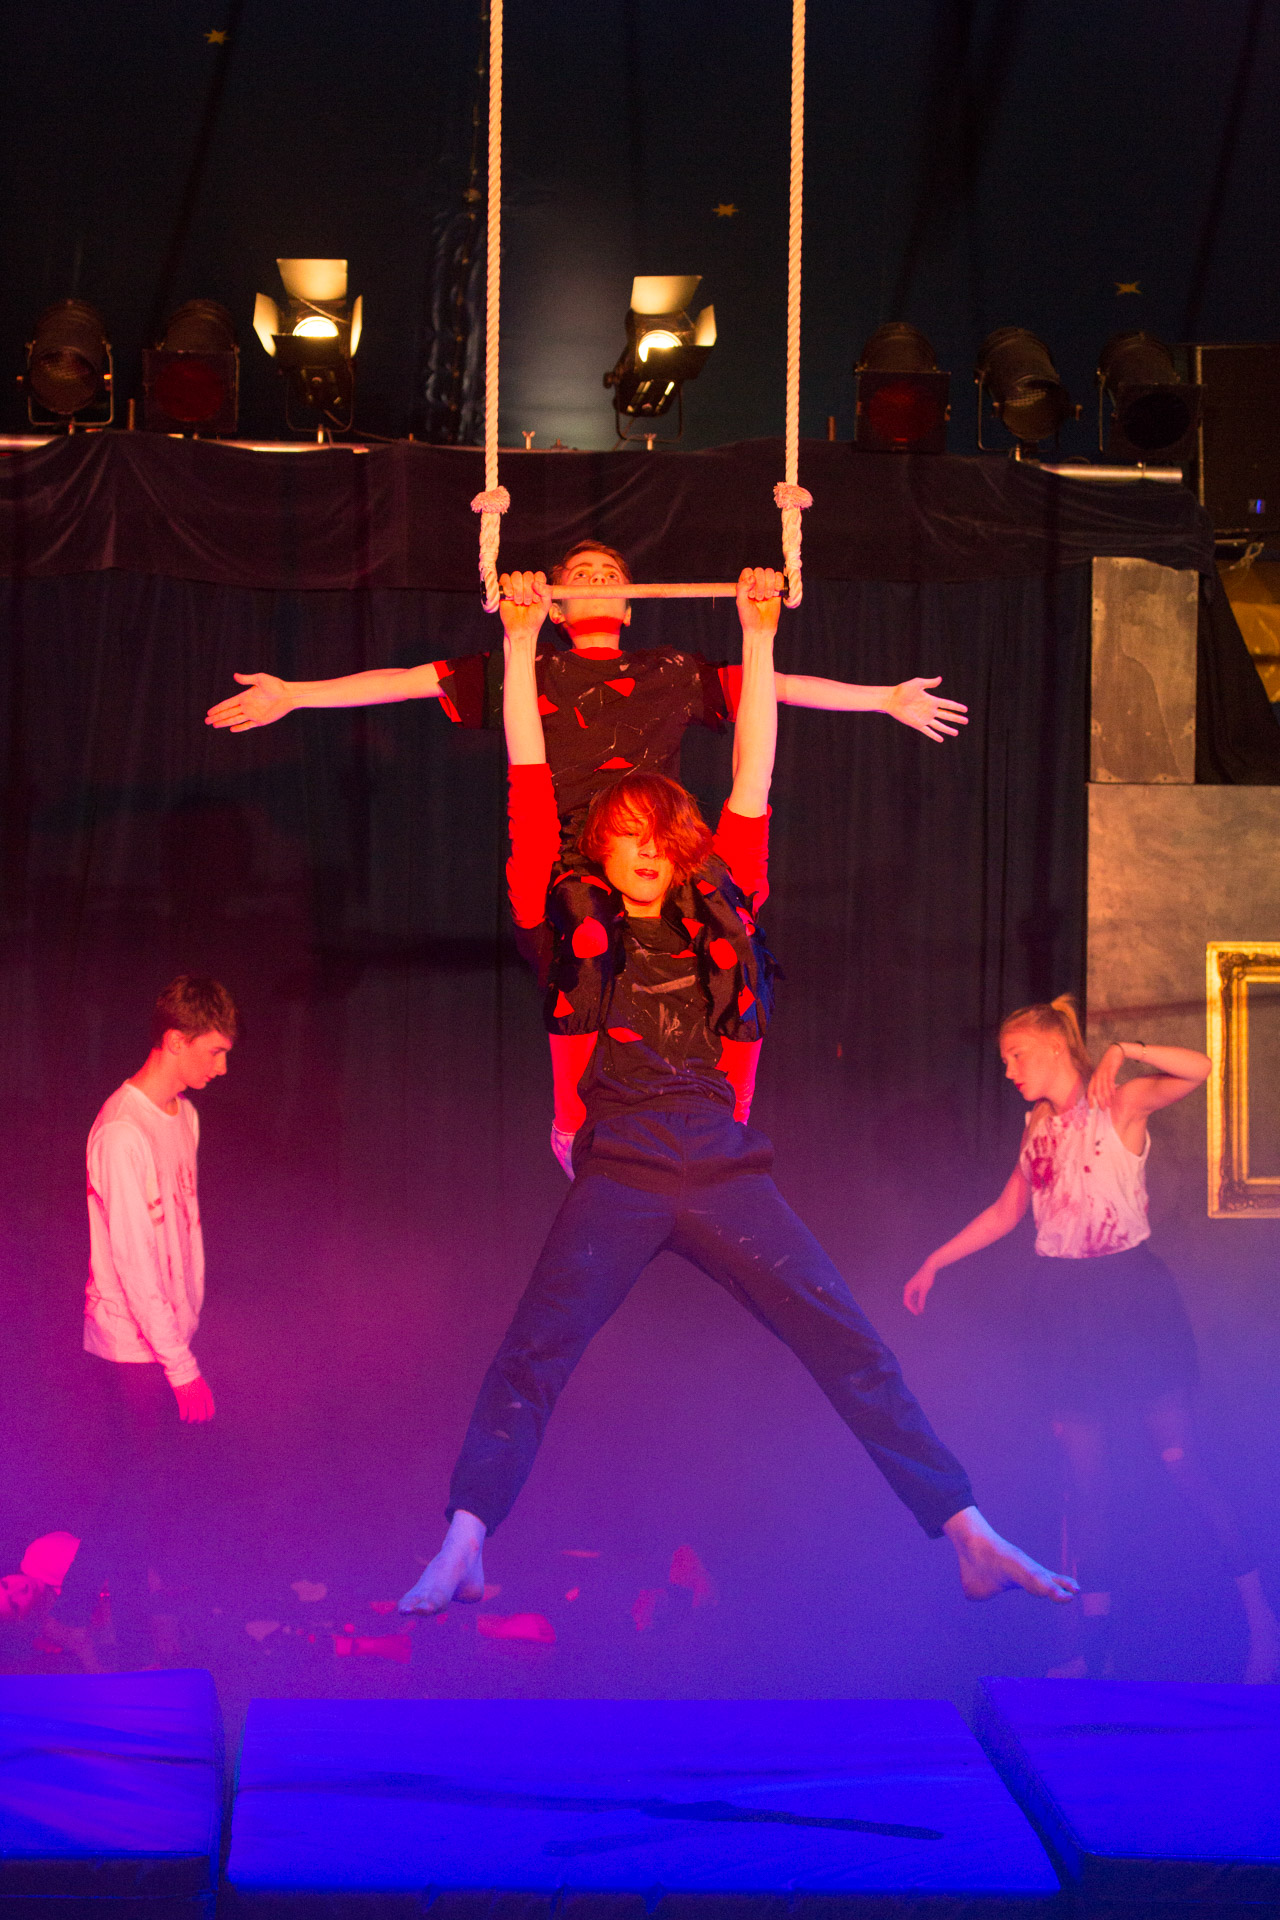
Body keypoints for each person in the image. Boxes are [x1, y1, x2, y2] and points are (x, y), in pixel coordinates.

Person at [398, 567, 1076, 1617]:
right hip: (623, 1163)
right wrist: (522, 645)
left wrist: (758, 638)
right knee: (534, 1351)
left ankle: (965, 1527)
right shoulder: (556, 914)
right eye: (621, 838)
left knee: (846, 1342)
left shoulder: (727, 907)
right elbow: (529, 774)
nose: (639, 854)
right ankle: (466, 1537)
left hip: (719, 1163)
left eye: (655, 839)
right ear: (599, 850)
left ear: (676, 851)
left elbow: (751, 773)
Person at [205, 542, 967, 1172]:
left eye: (611, 573)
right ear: (561, 605)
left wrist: (880, 696)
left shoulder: (670, 673)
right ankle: (569, 1121)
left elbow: (777, 696)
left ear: (631, 605)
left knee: (738, 923)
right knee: (579, 913)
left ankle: (733, 1109)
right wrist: (295, 693)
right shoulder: (531, 672)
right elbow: (409, 685)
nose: (597, 578)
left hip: (662, 843)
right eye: (581, 574)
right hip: (573, 847)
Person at [903, 995, 1279, 1683]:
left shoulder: (1119, 1103)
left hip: (1131, 1298)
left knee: (1178, 1461)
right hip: (1065, 1306)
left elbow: (1201, 1067)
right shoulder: (1037, 1127)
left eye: (1016, 1056)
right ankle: (1091, 1653)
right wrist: (935, 1261)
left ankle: (1263, 1625)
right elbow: (1007, 1211)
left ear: (1053, 1047)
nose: (1009, 1070)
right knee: (1086, 1480)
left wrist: (1125, 1050)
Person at [84, 975, 235, 1658]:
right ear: (175, 1041)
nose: (221, 1068)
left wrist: (186, 1331)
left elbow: (183, 1233)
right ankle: (112, 1637)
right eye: (213, 1051)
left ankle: (113, 1624)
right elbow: (134, 1262)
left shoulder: (185, 1117)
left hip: (170, 1338)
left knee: (144, 1495)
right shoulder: (122, 1131)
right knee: (132, 1498)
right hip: (129, 1348)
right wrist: (182, 1367)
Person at [0, 1532, 109, 1673]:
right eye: (14, 1604)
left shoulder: (40, 1554)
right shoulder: (50, 1623)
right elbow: (94, 1664)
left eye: (6, 1585)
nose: (18, 1589)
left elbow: (108, 1559)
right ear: (20, 1618)